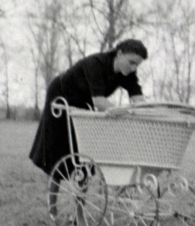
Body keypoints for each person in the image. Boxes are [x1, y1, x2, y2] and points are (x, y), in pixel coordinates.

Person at [29, 38, 148, 179]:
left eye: (137, 65)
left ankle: (81, 197)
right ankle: (52, 196)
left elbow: (139, 99)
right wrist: (126, 114)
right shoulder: (96, 63)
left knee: (85, 148)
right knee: (59, 148)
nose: (134, 68)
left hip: (83, 99)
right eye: (132, 62)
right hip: (61, 93)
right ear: (120, 53)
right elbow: (98, 101)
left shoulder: (128, 74)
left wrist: (146, 113)